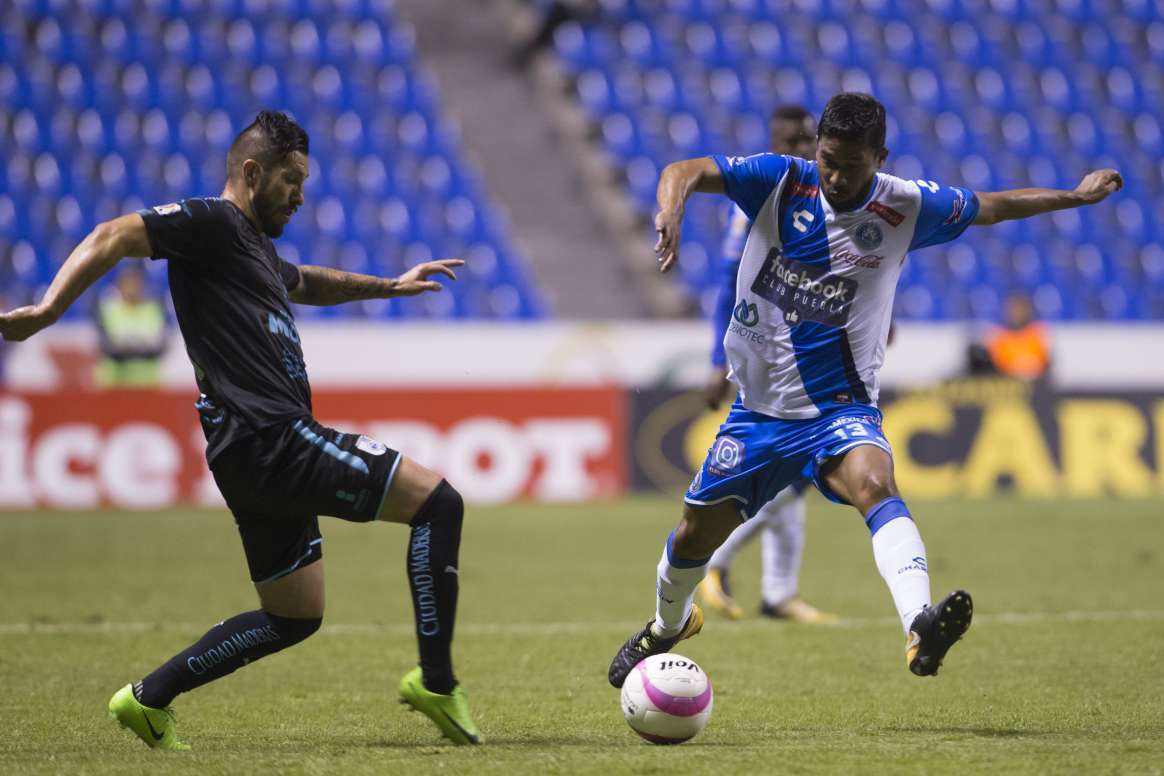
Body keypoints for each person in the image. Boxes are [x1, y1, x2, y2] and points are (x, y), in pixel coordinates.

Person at [0, 111, 482, 748]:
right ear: (251, 172)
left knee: (294, 617)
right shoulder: (211, 223)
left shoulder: (252, 249)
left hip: (245, 454)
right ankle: (438, 683)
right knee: (438, 504)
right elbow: (114, 232)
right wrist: (47, 311)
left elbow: (306, 281)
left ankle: (147, 699)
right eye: (291, 178)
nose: (301, 195)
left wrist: (391, 285)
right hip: (272, 436)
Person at [607, 92, 1122, 688]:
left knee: (875, 483)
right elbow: (684, 171)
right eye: (828, 159)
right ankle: (665, 628)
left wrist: (1076, 197)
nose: (836, 175)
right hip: (758, 414)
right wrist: (670, 210)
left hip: (838, 408)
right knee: (691, 536)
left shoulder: (905, 205)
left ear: (880, 157)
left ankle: (918, 625)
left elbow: (995, 206)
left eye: (852, 165)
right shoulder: (780, 180)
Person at [699, 104, 834, 623]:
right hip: (771, 354)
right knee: (799, 469)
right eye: (790, 142)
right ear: (773, 143)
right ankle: (717, 558)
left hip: (814, 352)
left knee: (797, 475)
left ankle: (778, 592)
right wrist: (718, 359)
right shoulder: (757, 197)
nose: (800, 151)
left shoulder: (825, 195)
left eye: (807, 141)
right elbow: (729, 282)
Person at [94, 265, 168, 387]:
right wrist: (142, 347)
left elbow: (161, 346)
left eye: (136, 283)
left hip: (147, 385)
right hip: (114, 384)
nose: (132, 288)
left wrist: (125, 347)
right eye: (128, 283)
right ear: (119, 285)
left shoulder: (154, 309)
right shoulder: (108, 309)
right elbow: (105, 346)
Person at [984, 293, 1051, 380]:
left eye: (1020, 309)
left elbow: (1045, 363)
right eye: (1014, 309)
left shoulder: (1037, 333)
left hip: (1035, 385)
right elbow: (996, 366)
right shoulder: (999, 336)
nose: (1017, 313)